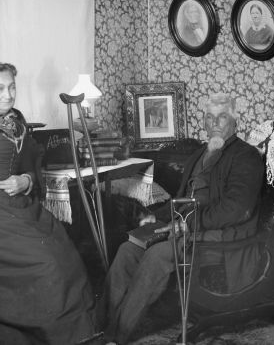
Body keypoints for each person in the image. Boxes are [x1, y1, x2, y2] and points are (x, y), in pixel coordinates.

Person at [0, 62, 101, 345]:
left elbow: (32, 167)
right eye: (0, 88)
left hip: (18, 209)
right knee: (46, 264)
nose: (7, 95)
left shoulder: (17, 119)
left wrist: (26, 181)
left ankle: (73, 337)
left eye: (12, 87)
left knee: (63, 256)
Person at [99, 93, 264, 345]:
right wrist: (154, 217)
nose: (215, 123)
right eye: (209, 118)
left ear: (235, 121)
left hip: (218, 237)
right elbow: (181, 198)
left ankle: (116, 337)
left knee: (157, 255)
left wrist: (187, 224)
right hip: (184, 230)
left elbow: (236, 209)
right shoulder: (201, 152)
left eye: (222, 117)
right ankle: (100, 327)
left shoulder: (246, 156)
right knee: (127, 249)